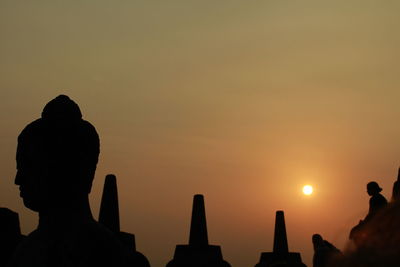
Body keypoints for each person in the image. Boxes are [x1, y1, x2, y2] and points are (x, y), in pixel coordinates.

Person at [8, 95, 129, 267]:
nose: (17, 180)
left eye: (27, 166)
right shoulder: (29, 250)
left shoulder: (97, 252)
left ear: (61, 168)